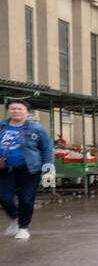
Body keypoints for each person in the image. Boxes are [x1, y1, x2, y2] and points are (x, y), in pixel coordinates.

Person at [0, 100, 54, 240]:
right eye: (13, 108)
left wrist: (48, 170)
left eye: (19, 109)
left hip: (29, 170)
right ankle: (15, 218)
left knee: (26, 199)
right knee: (4, 197)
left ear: (27, 112)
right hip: (4, 169)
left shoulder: (37, 129)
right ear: (8, 111)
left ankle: (23, 228)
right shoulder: (1, 126)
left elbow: (47, 149)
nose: (16, 111)